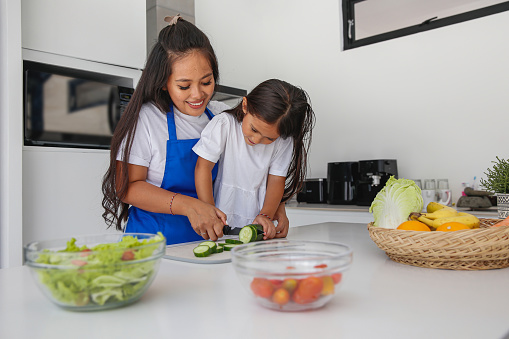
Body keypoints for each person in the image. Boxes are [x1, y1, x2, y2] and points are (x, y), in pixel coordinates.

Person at [101, 16, 289, 245]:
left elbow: (258, 158)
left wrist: (276, 206)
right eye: (184, 86)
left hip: (207, 241)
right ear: (163, 82)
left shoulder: (222, 116)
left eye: (206, 82)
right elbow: (126, 187)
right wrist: (189, 206)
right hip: (152, 242)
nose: (198, 94)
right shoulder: (147, 120)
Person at [193, 79, 315, 239]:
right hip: (221, 221)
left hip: (258, 229)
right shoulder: (224, 125)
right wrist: (209, 211)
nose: (257, 140)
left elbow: (276, 181)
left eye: (269, 138)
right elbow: (203, 168)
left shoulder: (283, 141)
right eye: (254, 129)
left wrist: (266, 215)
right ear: (245, 106)